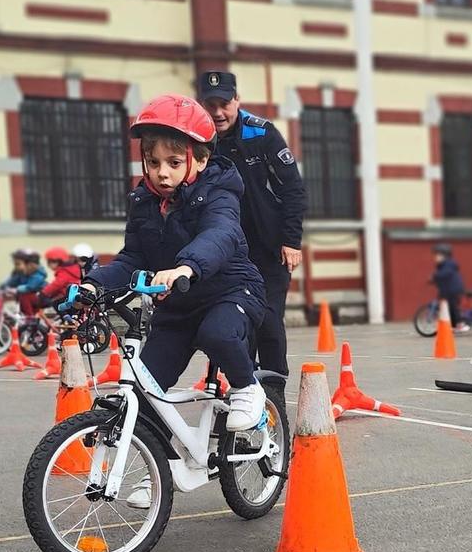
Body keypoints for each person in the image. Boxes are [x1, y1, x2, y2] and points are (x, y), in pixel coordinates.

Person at [72, 92, 266, 437]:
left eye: (174, 163)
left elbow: (219, 234)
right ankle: (156, 470)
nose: (162, 173)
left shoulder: (220, 193)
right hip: (177, 308)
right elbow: (132, 257)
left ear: (201, 161)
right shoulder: (144, 202)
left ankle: (247, 387)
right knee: (145, 390)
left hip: (231, 291)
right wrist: (94, 285)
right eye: (153, 162)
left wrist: (185, 267)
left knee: (217, 334)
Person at [198, 70, 306, 408]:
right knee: (236, 323)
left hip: (269, 249)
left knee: (269, 323)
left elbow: (293, 189)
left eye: (224, 104)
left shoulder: (262, 133)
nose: (218, 112)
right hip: (226, 251)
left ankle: (274, 397)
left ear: (237, 101)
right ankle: (244, 394)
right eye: (211, 104)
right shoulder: (198, 137)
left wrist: (291, 240)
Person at [431, 242, 469, 333]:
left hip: (453, 290)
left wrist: (436, 276)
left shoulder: (449, 264)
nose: (435, 257)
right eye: (435, 255)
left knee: (453, 306)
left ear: (445, 255)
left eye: (438, 255)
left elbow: (445, 274)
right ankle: (453, 325)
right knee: (448, 307)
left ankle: (460, 324)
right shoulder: (442, 265)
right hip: (448, 290)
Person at [36, 244, 84, 312]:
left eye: (50, 262)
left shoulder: (65, 271)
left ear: (57, 261)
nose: (48, 265)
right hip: (71, 295)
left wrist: (43, 293)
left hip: (70, 297)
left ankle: (66, 319)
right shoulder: (71, 269)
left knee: (56, 303)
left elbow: (56, 284)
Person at [1, 248, 48, 313]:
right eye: (15, 264)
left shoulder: (38, 274)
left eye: (18, 264)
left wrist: (16, 289)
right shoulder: (20, 273)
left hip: (41, 298)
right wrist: (4, 287)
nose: (16, 266)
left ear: (29, 264)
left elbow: (30, 287)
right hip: (27, 299)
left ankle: (29, 318)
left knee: (24, 297)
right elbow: (10, 282)